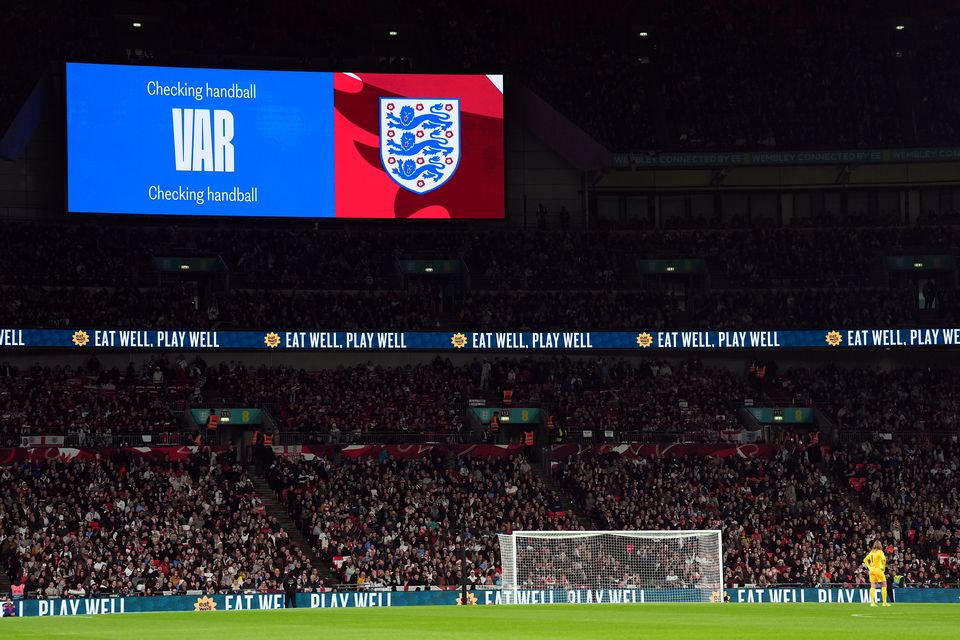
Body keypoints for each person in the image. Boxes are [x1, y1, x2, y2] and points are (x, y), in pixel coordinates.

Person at [863, 540, 890, 607]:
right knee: (884, 585)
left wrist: (869, 567)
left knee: (873, 586)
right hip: (878, 570)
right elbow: (884, 560)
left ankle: (872, 602)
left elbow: (865, 560)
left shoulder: (871, 552)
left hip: (871, 570)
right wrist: (883, 567)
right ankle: (884, 602)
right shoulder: (880, 552)